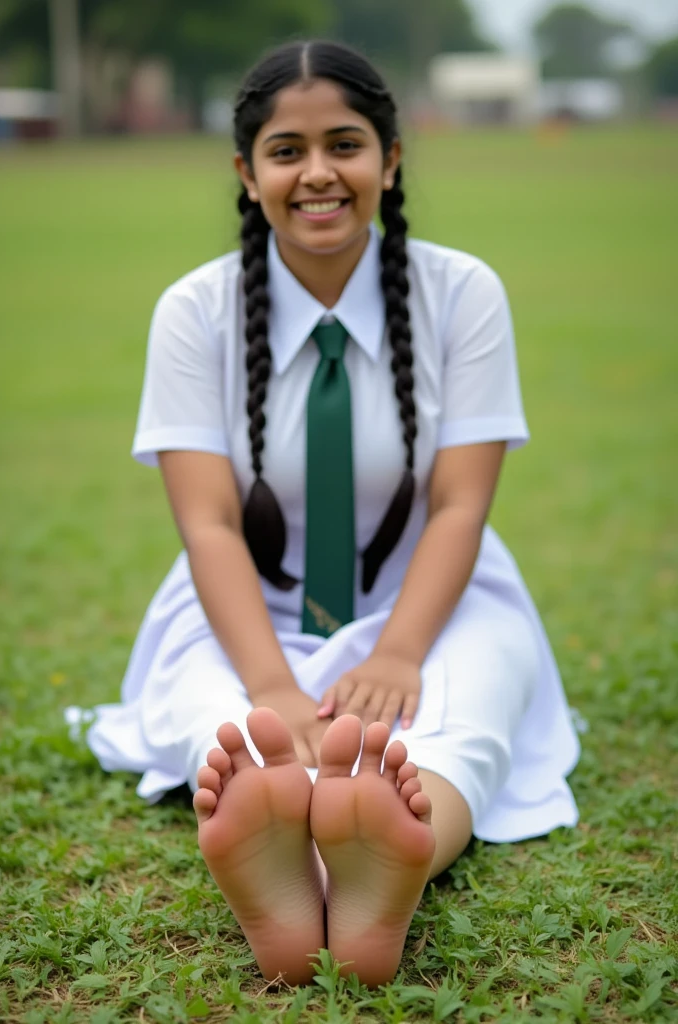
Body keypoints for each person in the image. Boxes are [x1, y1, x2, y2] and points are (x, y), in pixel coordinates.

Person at [72, 40, 580, 987]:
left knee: (461, 712)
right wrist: (267, 681)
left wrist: (396, 654)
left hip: (436, 592)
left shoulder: (462, 293)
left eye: (345, 144)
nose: (317, 173)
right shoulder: (196, 311)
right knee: (223, 724)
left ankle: (391, 857)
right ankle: (299, 867)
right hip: (245, 601)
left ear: (390, 160)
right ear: (245, 171)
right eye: (286, 149)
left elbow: (462, 506)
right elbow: (210, 526)